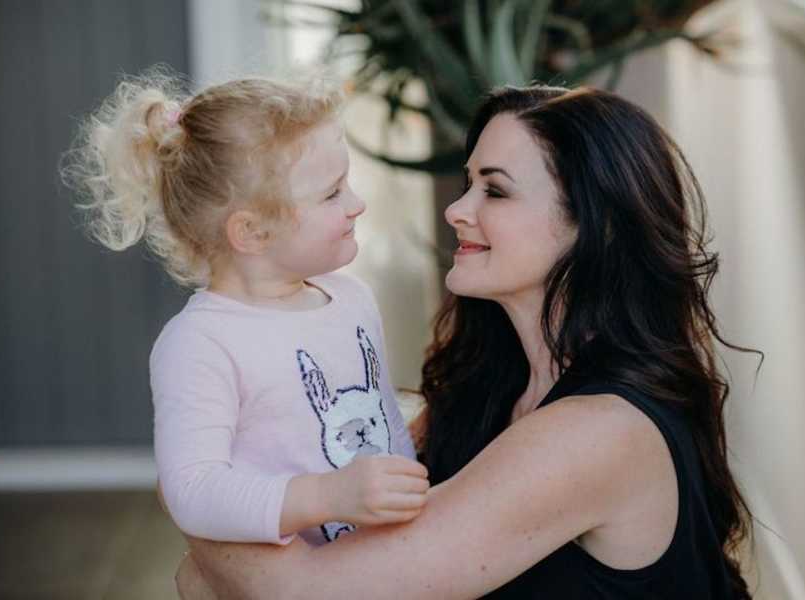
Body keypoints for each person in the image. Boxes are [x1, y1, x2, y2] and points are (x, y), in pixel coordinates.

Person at [174, 84, 755, 599]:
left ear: (594, 227)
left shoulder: (597, 431)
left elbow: (305, 591)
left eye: (494, 192)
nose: (457, 210)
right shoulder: (494, 382)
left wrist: (209, 511)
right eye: (467, 183)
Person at [65, 72, 428, 549]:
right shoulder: (201, 344)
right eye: (332, 193)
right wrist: (327, 495)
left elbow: (386, 429)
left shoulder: (352, 298)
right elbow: (192, 492)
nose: (357, 204)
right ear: (253, 232)